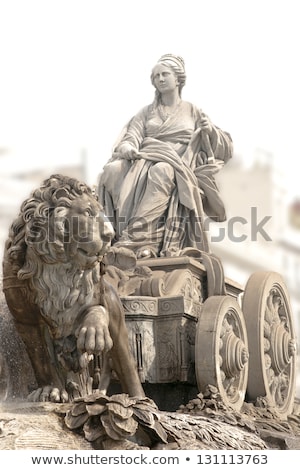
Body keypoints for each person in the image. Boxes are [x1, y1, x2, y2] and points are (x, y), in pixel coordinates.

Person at [98, 54, 233, 259]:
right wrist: (127, 148)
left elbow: (225, 147)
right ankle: (115, 233)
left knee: (162, 170)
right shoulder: (145, 113)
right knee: (112, 170)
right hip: (145, 158)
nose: (160, 79)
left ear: (178, 79)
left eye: (164, 74)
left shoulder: (193, 111)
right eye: (156, 76)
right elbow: (131, 136)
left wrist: (211, 131)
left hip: (178, 164)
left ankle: (136, 239)